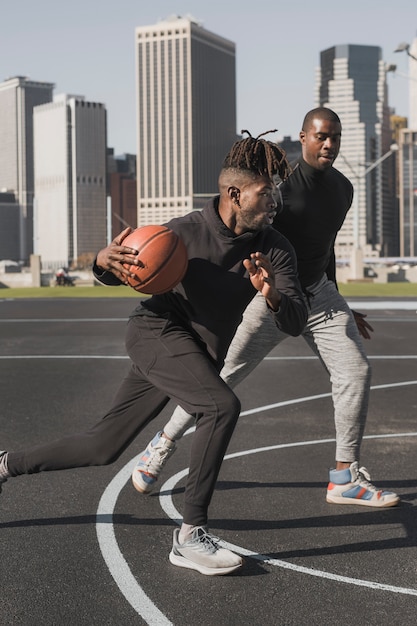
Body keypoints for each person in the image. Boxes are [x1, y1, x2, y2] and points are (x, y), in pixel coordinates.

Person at [0, 132, 308, 576]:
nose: (275, 199)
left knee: (103, 446)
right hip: (155, 331)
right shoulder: (182, 232)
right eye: (266, 191)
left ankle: (6, 464)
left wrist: (272, 293)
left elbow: (295, 321)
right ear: (234, 193)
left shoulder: (276, 248)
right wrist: (103, 263)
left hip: (193, 354)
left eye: (276, 190)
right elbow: (123, 268)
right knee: (222, 407)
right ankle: (190, 535)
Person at [132, 107, 400, 509]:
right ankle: (163, 443)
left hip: (320, 293)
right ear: (304, 137)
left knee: (356, 371)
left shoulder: (344, 189)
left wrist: (339, 297)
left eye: (336, 137)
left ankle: (345, 477)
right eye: (321, 136)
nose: (329, 144)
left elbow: (323, 249)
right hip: (269, 296)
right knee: (221, 378)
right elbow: (240, 229)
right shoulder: (279, 187)